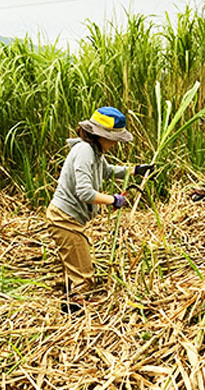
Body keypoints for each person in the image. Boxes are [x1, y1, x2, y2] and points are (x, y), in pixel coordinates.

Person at [46, 106, 154, 302]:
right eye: (113, 138)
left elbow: (107, 171)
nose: (115, 143)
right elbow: (85, 192)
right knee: (84, 279)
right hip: (64, 220)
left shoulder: (94, 151)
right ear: (100, 135)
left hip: (70, 219)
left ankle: (68, 298)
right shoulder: (85, 151)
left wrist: (135, 170)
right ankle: (76, 317)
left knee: (78, 269)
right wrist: (113, 199)